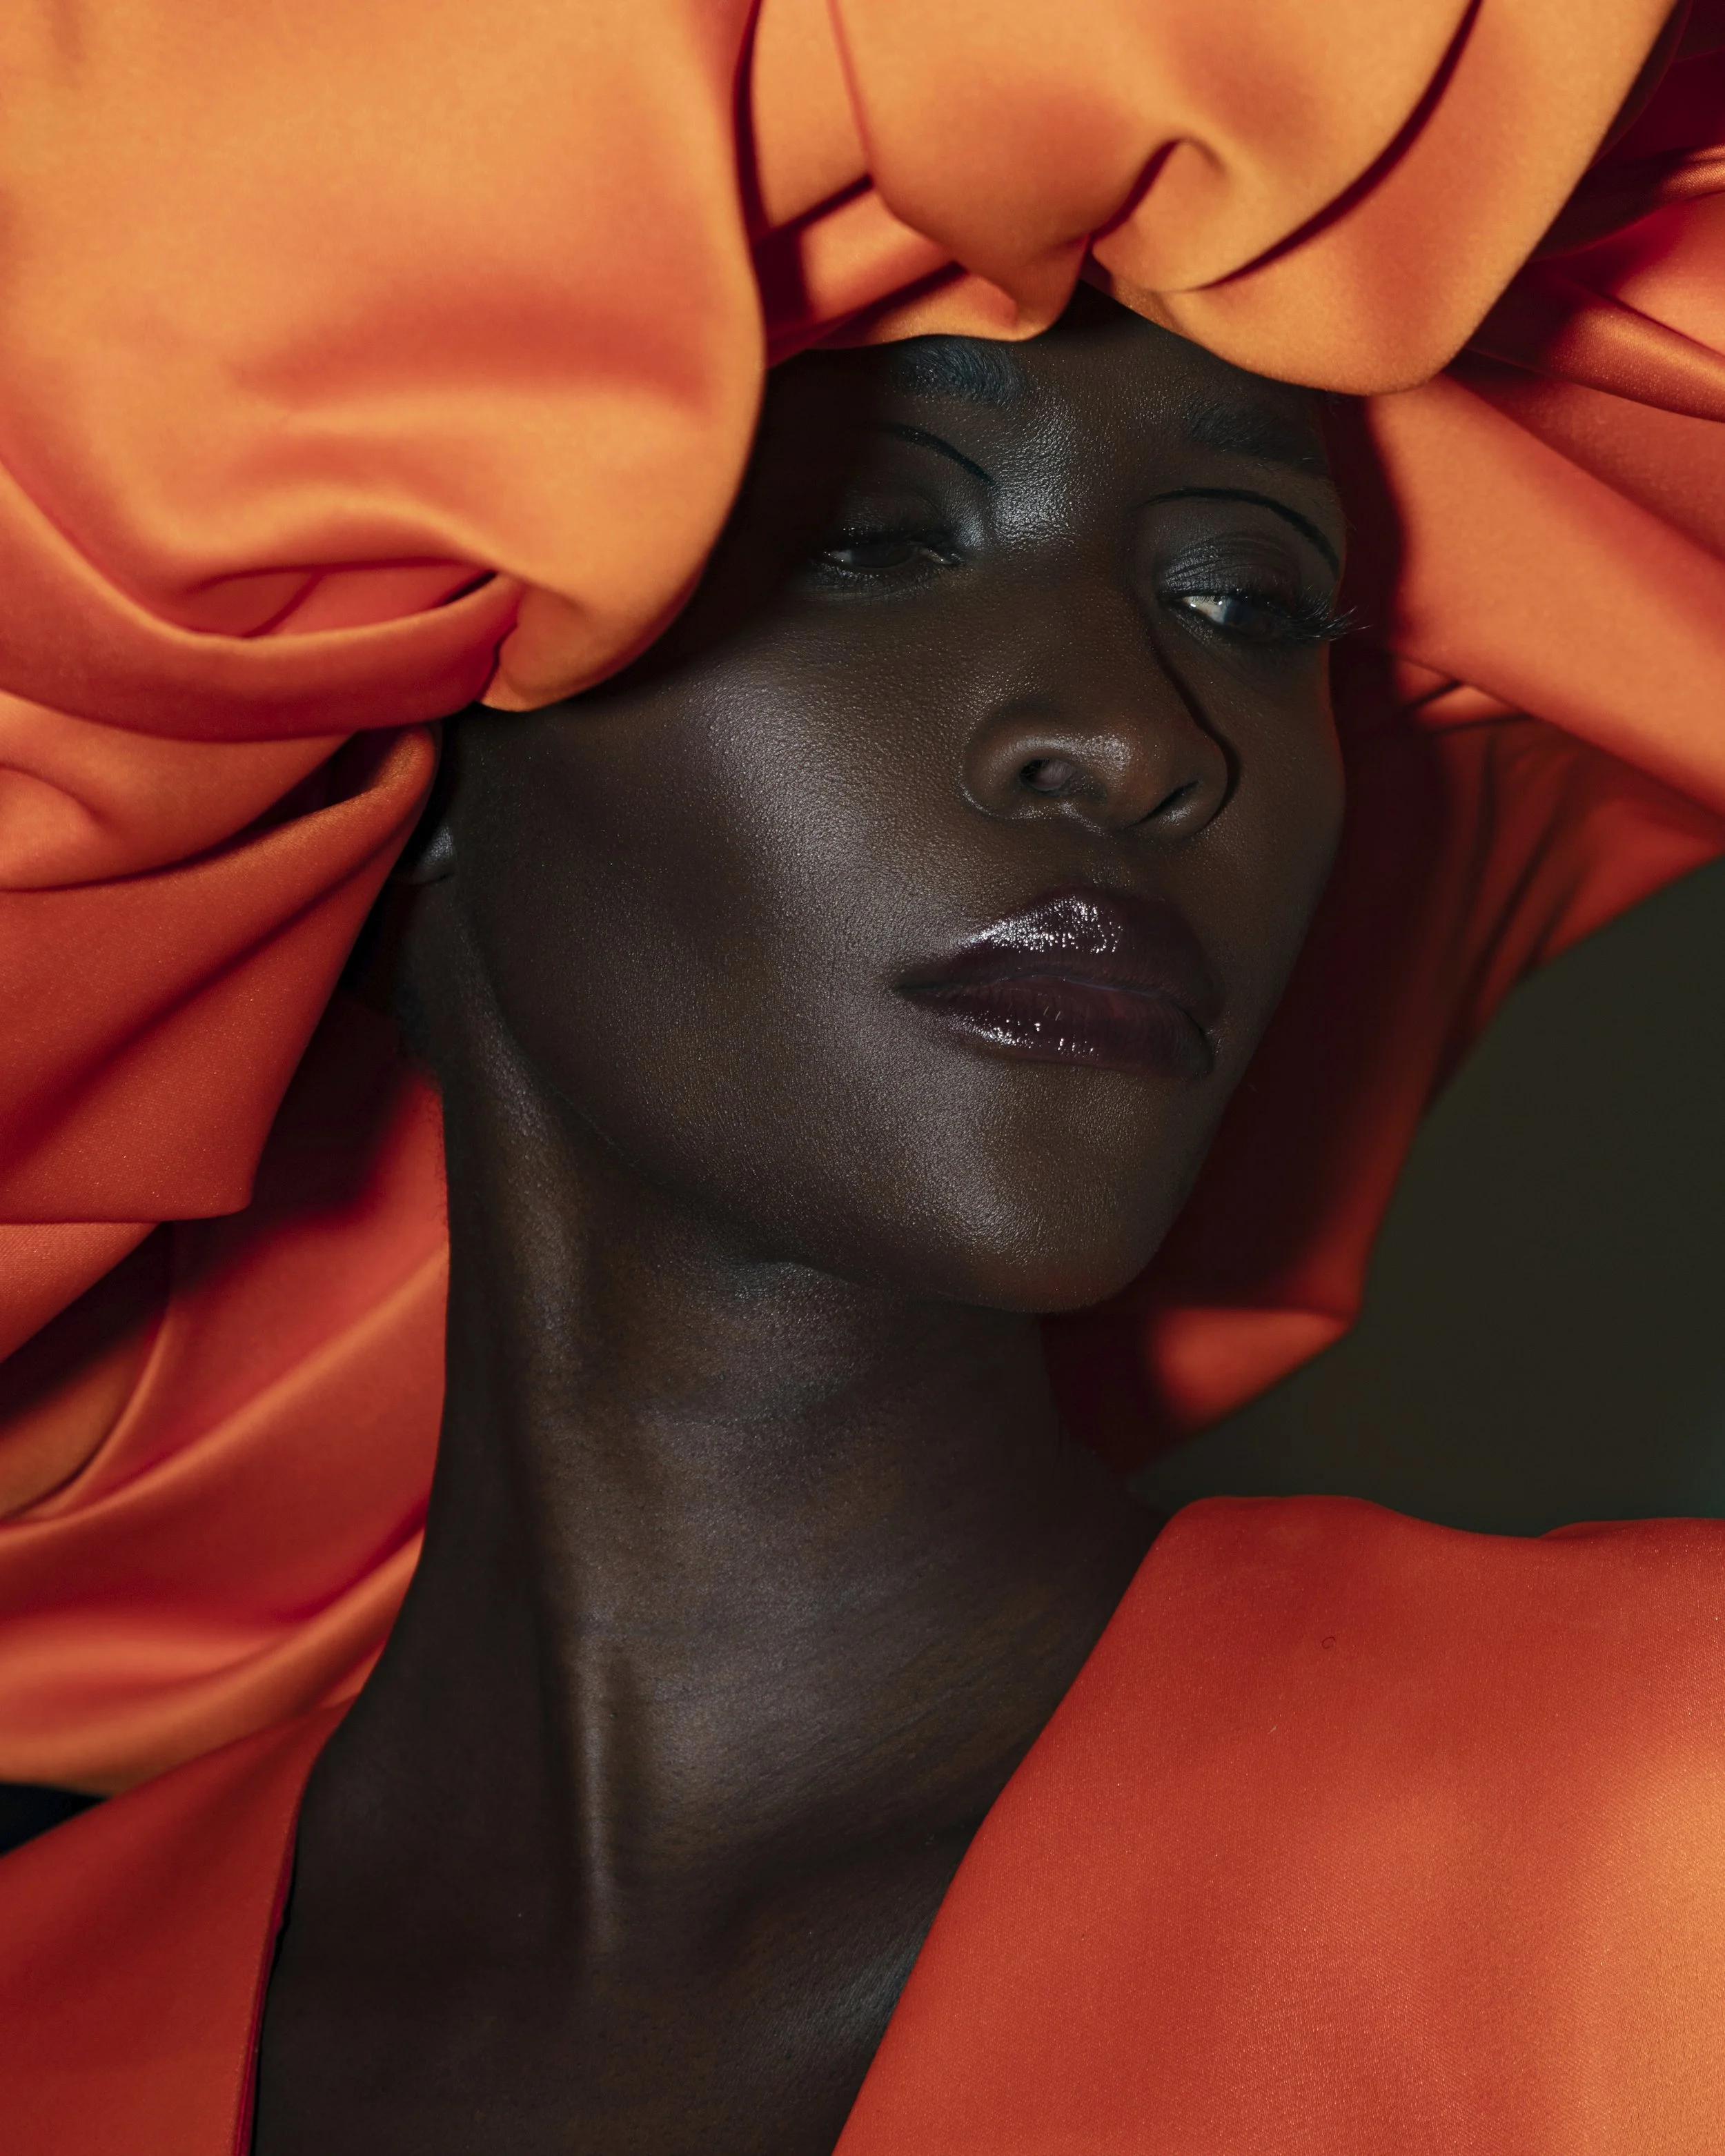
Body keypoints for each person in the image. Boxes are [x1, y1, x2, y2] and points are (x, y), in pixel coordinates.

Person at [7, 7, 1725, 2153]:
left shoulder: (1665, 1825)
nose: (1137, 735)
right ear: (413, 762)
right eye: (875, 540)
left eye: (1254, 597)